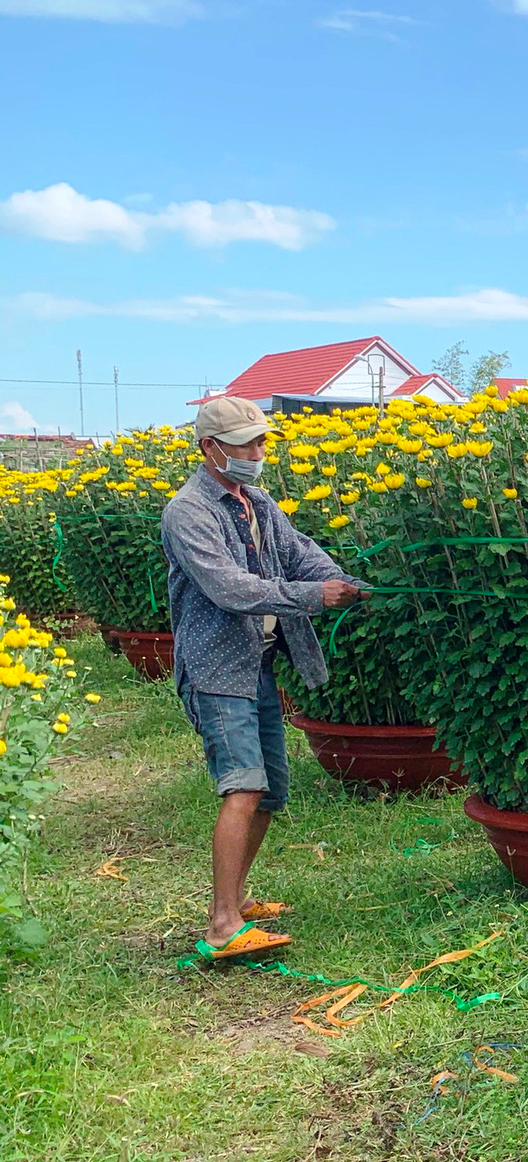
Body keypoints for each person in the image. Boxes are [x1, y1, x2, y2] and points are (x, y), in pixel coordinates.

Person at [161, 396, 367, 963]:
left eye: (261, 442)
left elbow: (300, 555)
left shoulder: (256, 501)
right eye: (246, 444)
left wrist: (344, 584)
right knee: (242, 785)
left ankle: (237, 898)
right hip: (216, 668)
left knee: (269, 790)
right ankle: (222, 924)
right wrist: (311, 596)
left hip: (256, 663)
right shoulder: (188, 513)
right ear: (210, 449)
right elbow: (231, 588)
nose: (258, 453)